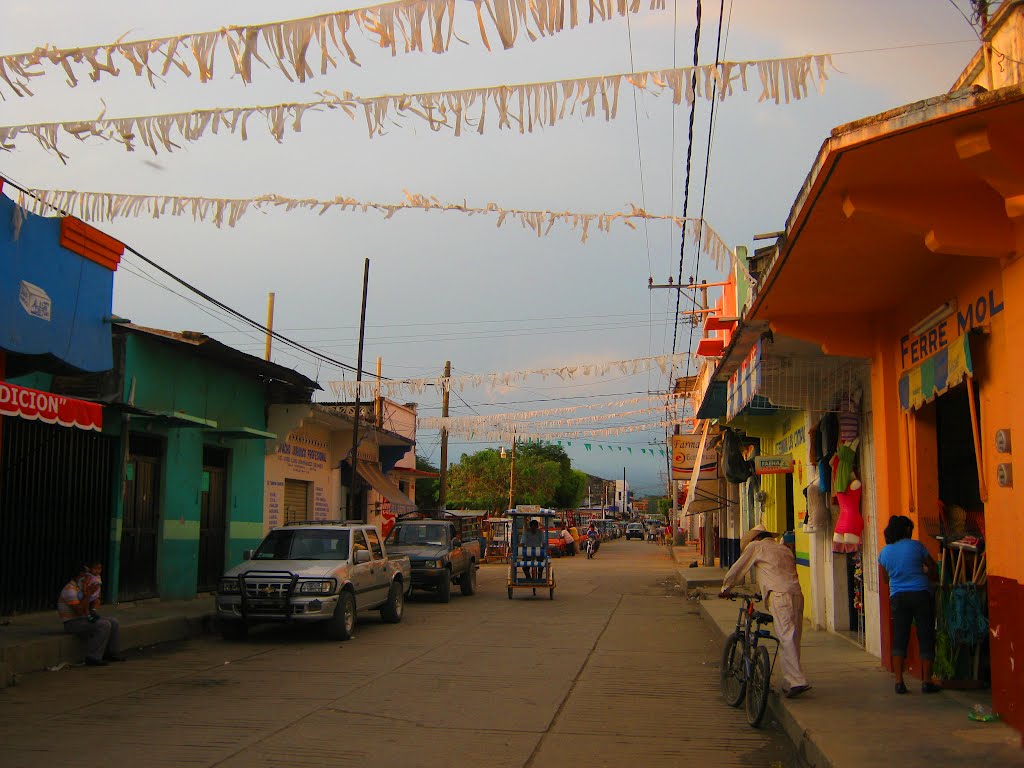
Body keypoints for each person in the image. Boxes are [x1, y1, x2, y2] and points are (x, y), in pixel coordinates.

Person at [720, 524, 811, 698]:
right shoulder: (783, 549)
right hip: (797, 594)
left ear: (755, 538)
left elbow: (739, 568)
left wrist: (726, 587)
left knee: (786, 636)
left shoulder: (757, 546)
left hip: (779, 596)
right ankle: (790, 680)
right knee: (793, 637)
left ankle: (797, 680)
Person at [878, 515, 940, 695]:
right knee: (926, 636)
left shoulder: (885, 553)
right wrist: (925, 571)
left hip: (898, 597)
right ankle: (927, 681)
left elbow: (885, 579)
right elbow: (933, 568)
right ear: (906, 529)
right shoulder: (917, 546)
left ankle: (899, 682)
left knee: (900, 637)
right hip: (921, 595)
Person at [57, 561, 125, 666]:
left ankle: (112, 653)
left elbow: (94, 603)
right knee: (104, 625)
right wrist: (88, 594)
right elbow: (79, 611)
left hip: (83, 619)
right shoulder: (70, 591)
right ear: (79, 576)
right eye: (85, 576)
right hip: (72, 623)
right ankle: (93, 657)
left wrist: (93, 609)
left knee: (113, 621)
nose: (88, 578)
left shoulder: (81, 588)